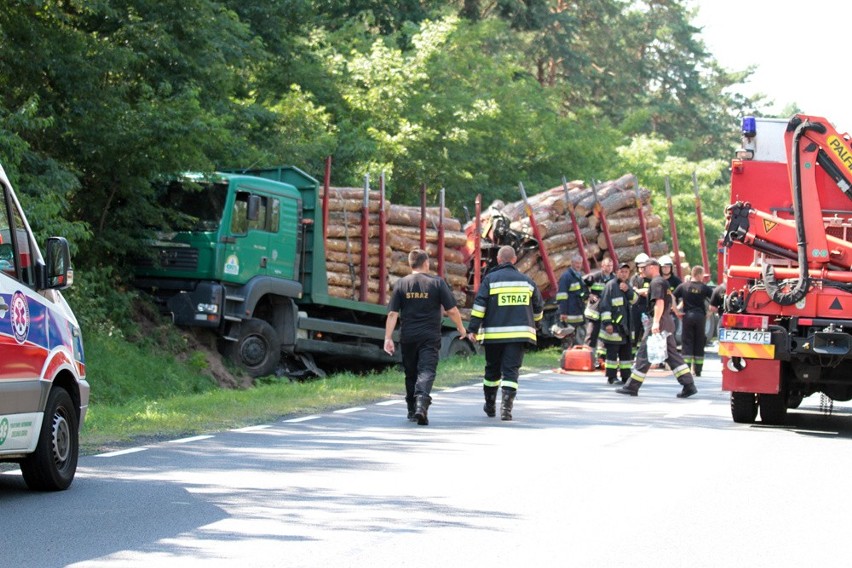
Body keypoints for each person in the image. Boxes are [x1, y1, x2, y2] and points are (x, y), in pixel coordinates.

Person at [385, 249, 467, 425]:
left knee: (411, 372)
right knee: (427, 369)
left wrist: (388, 338)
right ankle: (422, 404)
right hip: (430, 336)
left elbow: (392, 314)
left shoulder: (401, 283)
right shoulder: (437, 283)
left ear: (410, 264)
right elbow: (451, 310)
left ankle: (411, 409)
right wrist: (461, 328)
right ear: (426, 263)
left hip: (408, 336)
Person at [467, 245, 544, 421]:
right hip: (518, 335)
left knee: (492, 370)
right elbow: (539, 307)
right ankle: (506, 410)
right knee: (511, 372)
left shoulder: (490, 280)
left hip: (494, 336)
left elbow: (479, 306)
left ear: (499, 260)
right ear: (514, 260)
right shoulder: (527, 281)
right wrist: (536, 323)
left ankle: (490, 404)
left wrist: (473, 329)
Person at [616, 257, 697, 398]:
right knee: (672, 356)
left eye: (644, 268)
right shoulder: (662, 282)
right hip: (666, 321)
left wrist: (655, 322)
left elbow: (659, 302)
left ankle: (632, 386)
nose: (642, 271)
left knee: (643, 352)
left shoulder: (656, 282)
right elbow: (670, 298)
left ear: (653, 267)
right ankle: (688, 385)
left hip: (660, 321)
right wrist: (675, 312)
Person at [598, 261, 637, 384]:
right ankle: (611, 377)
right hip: (614, 327)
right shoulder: (611, 285)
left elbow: (635, 300)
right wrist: (607, 323)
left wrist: (628, 291)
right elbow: (604, 306)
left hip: (626, 328)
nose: (624, 274)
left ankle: (626, 377)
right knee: (612, 354)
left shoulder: (627, 286)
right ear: (616, 272)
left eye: (626, 272)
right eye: (622, 271)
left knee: (626, 354)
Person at [673, 265, 714, 376]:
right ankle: (698, 370)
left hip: (687, 316)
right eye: (702, 275)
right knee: (699, 342)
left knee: (687, 342)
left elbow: (672, 296)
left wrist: (676, 310)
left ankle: (686, 370)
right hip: (700, 317)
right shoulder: (704, 288)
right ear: (699, 274)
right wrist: (710, 312)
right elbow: (715, 298)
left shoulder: (683, 286)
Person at [584, 257, 615, 366]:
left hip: (606, 314)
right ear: (602, 266)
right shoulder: (595, 276)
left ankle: (601, 360)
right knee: (591, 335)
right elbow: (582, 284)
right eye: (607, 265)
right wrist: (589, 295)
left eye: (611, 266)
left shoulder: (614, 278)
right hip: (594, 313)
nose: (609, 268)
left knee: (604, 337)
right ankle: (588, 359)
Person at [556, 254, 589, 344]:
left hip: (579, 311)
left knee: (580, 336)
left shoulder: (579, 276)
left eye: (580, 263)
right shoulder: (566, 277)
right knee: (569, 337)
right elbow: (562, 296)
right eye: (576, 263)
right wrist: (563, 312)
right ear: (572, 263)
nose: (578, 265)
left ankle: (579, 353)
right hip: (570, 312)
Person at [630, 252, 652, 354]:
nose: (642, 269)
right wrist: (642, 291)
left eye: (644, 266)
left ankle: (643, 354)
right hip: (635, 308)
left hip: (647, 309)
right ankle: (632, 355)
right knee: (635, 332)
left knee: (646, 333)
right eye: (640, 266)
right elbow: (631, 291)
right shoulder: (634, 278)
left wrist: (638, 290)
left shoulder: (651, 279)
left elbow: (648, 293)